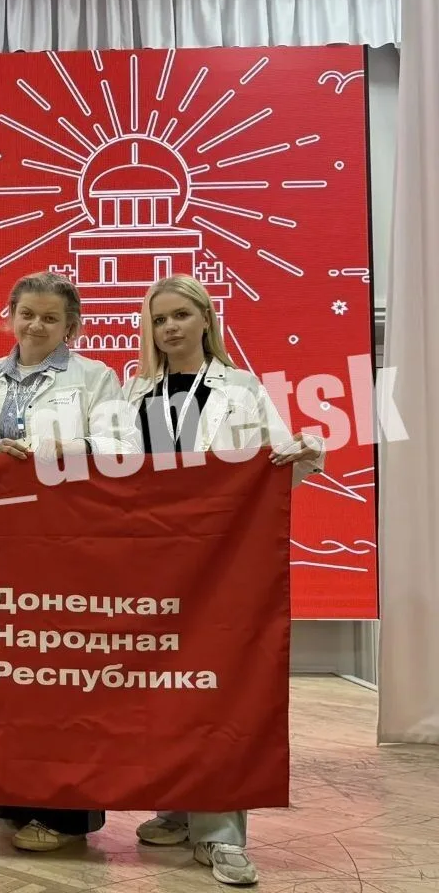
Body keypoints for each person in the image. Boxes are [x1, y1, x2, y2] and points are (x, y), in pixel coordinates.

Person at [121, 274, 323, 888]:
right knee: (164, 686)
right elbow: (106, 465)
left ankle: (221, 834)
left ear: (207, 319)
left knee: (217, 686)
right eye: (159, 319)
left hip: (220, 564)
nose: (170, 328)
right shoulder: (134, 392)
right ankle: (177, 809)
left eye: (181, 315)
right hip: (152, 560)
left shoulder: (242, 390)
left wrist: (303, 452)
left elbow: (279, 463)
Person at [0, 270, 134, 852]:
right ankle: (11, 793)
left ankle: (62, 812)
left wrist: (69, 449)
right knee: (6, 672)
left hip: (67, 545)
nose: (35, 326)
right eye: (26, 314)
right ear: (9, 315)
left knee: (61, 675)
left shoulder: (95, 377)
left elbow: (123, 448)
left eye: (50, 318)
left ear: (71, 326)